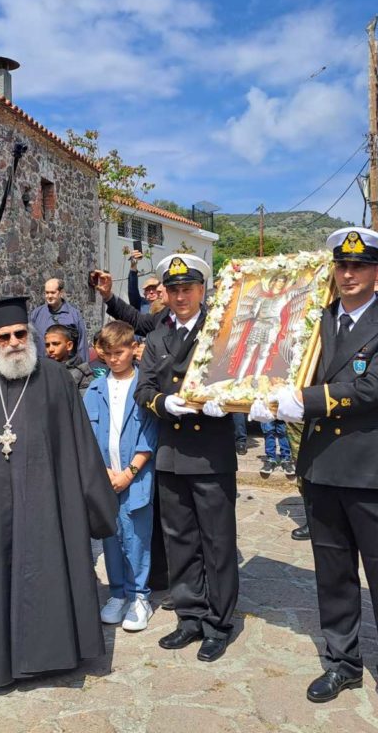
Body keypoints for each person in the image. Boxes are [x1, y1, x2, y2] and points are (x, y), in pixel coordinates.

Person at [252, 228, 378, 732]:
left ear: (377, 272)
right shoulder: (314, 321)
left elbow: (373, 387)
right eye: (341, 267)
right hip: (323, 466)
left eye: (359, 267)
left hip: (373, 469)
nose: (348, 275)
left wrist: (301, 400)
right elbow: (281, 361)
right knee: (334, 574)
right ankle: (342, 663)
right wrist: (257, 390)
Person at [0, 296, 118, 687]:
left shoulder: (57, 380)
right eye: (4, 337)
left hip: (49, 500)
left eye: (20, 334)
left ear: (31, 335)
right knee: (1, 572)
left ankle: (57, 654)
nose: (14, 343)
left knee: (50, 567)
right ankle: (4, 660)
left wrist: (94, 501)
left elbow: (81, 444)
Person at [134, 253, 240, 663]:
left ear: (202, 290)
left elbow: (238, 378)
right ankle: (189, 616)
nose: (180, 296)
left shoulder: (220, 331)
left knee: (217, 542)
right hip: (171, 453)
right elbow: (144, 390)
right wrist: (164, 403)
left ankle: (218, 623)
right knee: (180, 540)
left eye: (187, 289)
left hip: (210, 452)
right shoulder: (158, 336)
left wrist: (226, 402)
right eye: (173, 289)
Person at [83, 321, 158, 632]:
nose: (115, 359)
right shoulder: (96, 388)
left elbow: (150, 433)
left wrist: (130, 472)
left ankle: (140, 595)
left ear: (133, 348)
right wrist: (104, 472)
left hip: (135, 476)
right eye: (109, 354)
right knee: (111, 536)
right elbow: (86, 433)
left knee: (136, 537)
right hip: (106, 477)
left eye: (120, 352)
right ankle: (117, 594)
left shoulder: (144, 386)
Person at [31, 277, 89, 362]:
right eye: (47, 293)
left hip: (67, 367)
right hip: (44, 366)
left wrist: (83, 369)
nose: (49, 296)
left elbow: (82, 344)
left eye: (53, 292)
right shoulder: (36, 314)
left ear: (61, 293)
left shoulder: (73, 315)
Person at [45, 323, 94, 392]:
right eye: (47, 345)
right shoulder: (42, 369)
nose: (50, 349)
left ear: (69, 346)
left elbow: (84, 399)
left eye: (56, 344)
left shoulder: (81, 372)